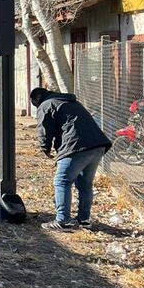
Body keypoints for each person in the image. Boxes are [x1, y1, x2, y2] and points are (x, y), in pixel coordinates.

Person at [31, 88, 112, 230]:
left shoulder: (46, 105)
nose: (37, 107)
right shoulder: (71, 102)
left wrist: (45, 148)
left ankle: (63, 221)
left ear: (37, 99)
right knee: (85, 184)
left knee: (62, 181)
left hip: (76, 146)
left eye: (35, 104)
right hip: (97, 145)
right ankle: (84, 220)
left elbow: (44, 130)